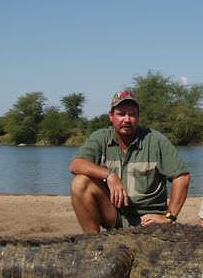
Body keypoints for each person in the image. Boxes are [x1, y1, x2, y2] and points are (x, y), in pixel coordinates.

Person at [70, 90, 190, 234]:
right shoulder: (100, 137)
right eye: (121, 114)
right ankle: (92, 242)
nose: (127, 119)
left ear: (138, 117)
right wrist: (110, 176)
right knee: (80, 182)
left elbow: (182, 177)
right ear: (111, 116)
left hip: (149, 222)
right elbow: (76, 164)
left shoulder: (156, 140)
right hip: (115, 215)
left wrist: (169, 217)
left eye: (132, 114)